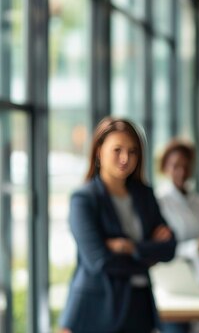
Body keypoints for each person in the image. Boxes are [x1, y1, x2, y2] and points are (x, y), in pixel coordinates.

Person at [59, 117, 176, 333]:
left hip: (139, 308)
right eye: (117, 150)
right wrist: (149, 256)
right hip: (95, 311)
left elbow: (170, 247)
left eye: (133, 151)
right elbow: (100, 260)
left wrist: (131, 248)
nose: (125, 158)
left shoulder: (144, 195)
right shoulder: (84, 199)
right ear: (98, 151)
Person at [156, 139, 199, 285]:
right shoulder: (159, 201)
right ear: (165, 167)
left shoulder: (198, 201)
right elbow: (161, 249)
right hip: (175, 277)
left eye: (186, 166)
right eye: (176, 166)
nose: (182, 172)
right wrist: (193, 247)